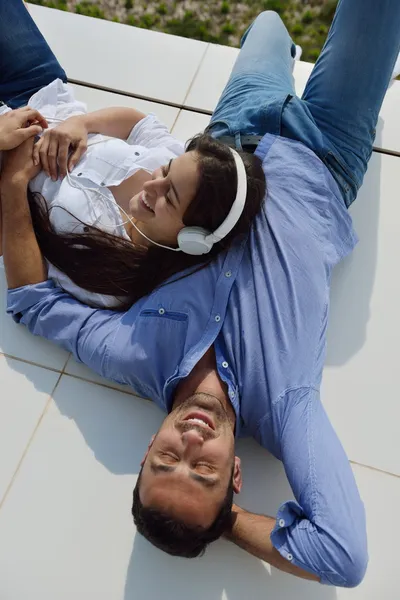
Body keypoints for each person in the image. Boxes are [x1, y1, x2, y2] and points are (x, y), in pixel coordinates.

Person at [2, 0, 400, 588]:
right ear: (235, 476)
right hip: (327, 155)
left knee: (268, 25)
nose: (190, 443)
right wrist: (223, 522)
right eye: (204, 472)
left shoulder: (135, 354)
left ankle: (281, 55)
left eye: (167, 460)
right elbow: (343, 556)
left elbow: (33, 303)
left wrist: (11, 181)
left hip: (230, 137)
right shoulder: (288, 406)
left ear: (147, 450)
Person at [0, 4, 265, 310]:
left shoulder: (112, 277)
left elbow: (28, 288)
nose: (154, 185)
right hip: (40, 91)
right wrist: (82, 124)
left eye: (170, 196)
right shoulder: (177, 164)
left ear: (192, 238)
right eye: (166, 172)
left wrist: (14, 181)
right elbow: (138, 124)